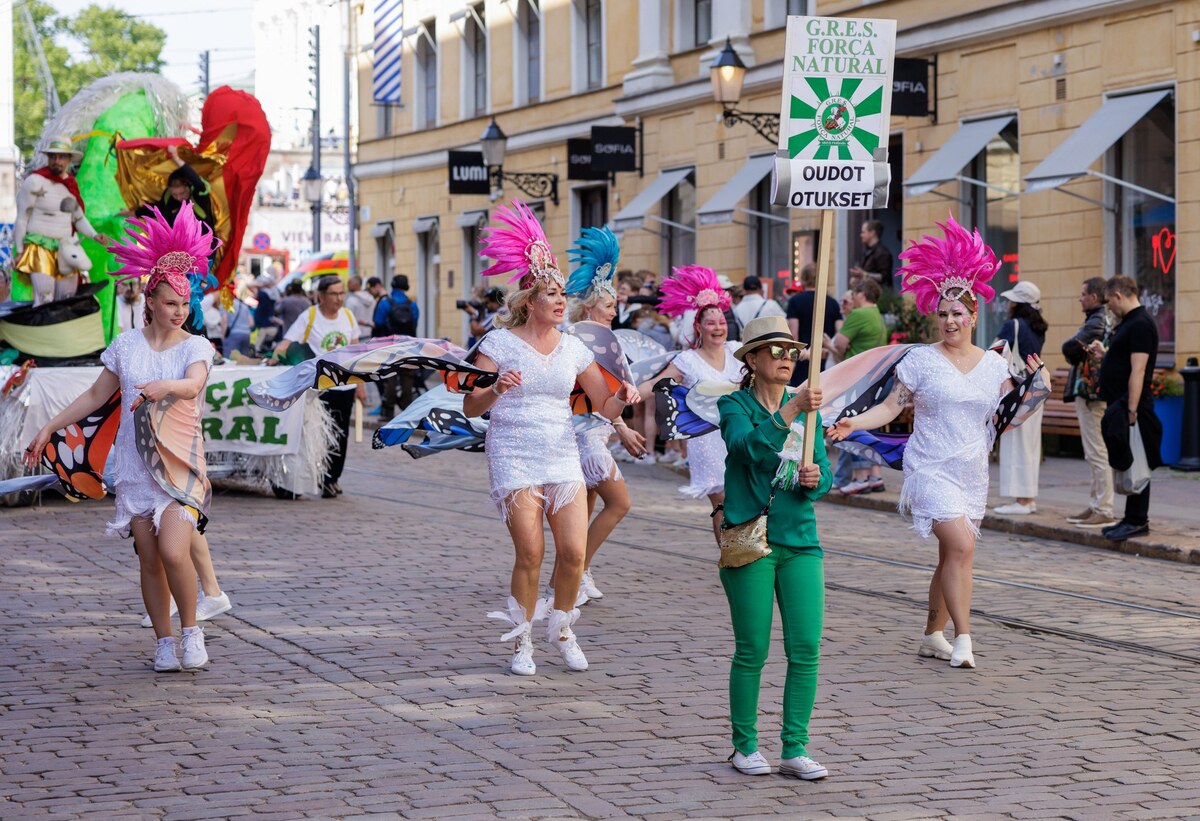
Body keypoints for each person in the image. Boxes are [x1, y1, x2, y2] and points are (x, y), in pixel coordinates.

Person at [830, 216, 1041, 670]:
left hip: (972, 470)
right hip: (928, 466)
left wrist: (1034, 385)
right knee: (962, 546)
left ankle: (932, 635)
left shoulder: (994, 365)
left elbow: (1011, 416)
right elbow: (891, 408)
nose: (949, 321)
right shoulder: (921, 360)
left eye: (957, 313)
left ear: (973, 316)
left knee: (952, 554)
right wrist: (853, 422)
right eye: (943, 313)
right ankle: (964, 637)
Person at [23, 206, 217, 672]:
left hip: (180, 465)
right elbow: (95, 395)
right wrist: (49, 427)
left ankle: (192, 631)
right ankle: (164, 641)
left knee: (173, 550)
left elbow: (193, 385)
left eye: (185, 303)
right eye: (171, 303)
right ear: (151, 300)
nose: (180, 311)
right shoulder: (126, 346)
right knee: (149, 559)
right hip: (134, 468)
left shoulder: (196, 346)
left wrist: (166, 387)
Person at [465, 201, 638, 676]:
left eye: (563, 294)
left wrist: (623, 397)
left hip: (561, 451)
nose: (561, 301)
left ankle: (562, 629)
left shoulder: (574, 347)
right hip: (513, 450)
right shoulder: (498, 345)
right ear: (529, 301)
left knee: (574, 552)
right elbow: (471, 407)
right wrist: (495, 389)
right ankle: (522, 640)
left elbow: (603, 405)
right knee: (531, 552)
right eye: (551, 294)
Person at [718, 315, 829, 780]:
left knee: (805, 647)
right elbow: (747, 449)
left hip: (800, 539)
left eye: (792, 352)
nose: (787, 359)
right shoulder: (734, 405)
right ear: (753, 359)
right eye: (777, 351)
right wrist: (791, 411)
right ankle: (744, 745)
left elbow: (824, 471)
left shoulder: (809, 410)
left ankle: (794, 748)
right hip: (751, 541)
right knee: (753, 649)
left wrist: (816, 478)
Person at [558, 225, 648, 606]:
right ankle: (574, 572)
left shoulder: (607, 341)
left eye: (615, 305)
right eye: (609, 305)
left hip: (598, 430)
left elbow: (611, 395)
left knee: (587, 508)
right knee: (620, 503)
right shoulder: (578, 340)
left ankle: (573, 574)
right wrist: (621, 427)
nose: (615, 311)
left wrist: (621, 426)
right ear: (590, 307)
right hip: (582, 433)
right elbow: (594, 397)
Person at [642, 266, 743, 543]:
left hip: (739, 435)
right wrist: (626, 394)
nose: (718, 327)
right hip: (705, 438)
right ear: (698, 327)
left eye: (721, 322)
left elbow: (768, 359)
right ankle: (729, 555)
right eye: (711, 323)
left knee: (743, 499)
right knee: (722, 501)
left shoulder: (737, 351)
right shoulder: (687, 361)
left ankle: (744, 553)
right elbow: (656, 384)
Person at [272, 275, 366, 498]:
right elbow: (287, 342)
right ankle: (313, 476)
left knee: (340, 434)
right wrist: (275, 358)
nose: (339, 298)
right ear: (321, 296)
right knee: (317, 434)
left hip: (345, 386)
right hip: (318, 388)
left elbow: (357, 353)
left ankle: (331, 479)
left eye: (341, 293)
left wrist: (360, 385)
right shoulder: (310, 316)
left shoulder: (348, 316)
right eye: (334, 294)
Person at [1093, 275, 1162, 542]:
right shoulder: (1129, 323)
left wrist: (1132, 409)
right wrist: (1106, 356)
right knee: (1127, 458)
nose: (1108, 306)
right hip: (1121, 403)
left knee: (1137, 461)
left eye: (1109, 300)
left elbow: (1139, 369)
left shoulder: (1140, 324)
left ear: (1119, 295)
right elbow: (1124, 360)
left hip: (1132, 405)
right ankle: (1131, 517)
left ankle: (1138, 519)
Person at [14, 137, 112, 305]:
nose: (57, 161)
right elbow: (22, 217)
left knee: (67, 298)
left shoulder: (70, 186)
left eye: (61, 157)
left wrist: (95, 235)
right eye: (53, 156)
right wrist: (19, 250)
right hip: (40, 247)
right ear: (48, 158)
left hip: (66, 248)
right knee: (45, 297)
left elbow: (78, 218)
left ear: (69, 159)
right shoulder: (35, 181)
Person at [1062, 277, 1115, 529]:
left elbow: (1070, 347)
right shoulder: (1099, 317)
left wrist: (1072, 346)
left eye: (1083, 294)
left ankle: (1103, 508)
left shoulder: (1097, 319)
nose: (1080, 298)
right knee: (1094, 450)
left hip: (1092, 393)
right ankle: (1096, 504)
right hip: (1093, 392)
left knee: (1096, 451)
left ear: (1094, 297)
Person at [992, 281, 1048, 516]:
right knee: (1031, 444)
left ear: (1017, 303)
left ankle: (1021, 500)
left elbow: (994, 354)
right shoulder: (1039, 328)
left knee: (1015, 443)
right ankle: (1028, 498)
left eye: (1011, 300)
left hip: (1017, 389)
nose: (1008, 304)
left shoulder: (1012, 326)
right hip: (1037, 386)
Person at [831, 279, 889, 495]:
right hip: (877, 378)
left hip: (857, 379)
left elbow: (840, 344)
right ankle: (874, 476)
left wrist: (829, 345)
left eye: (854, 294)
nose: (852, 298)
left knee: (853, 425)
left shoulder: (859, 314)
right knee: (870, 428)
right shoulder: (877, 315)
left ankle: (860, 477)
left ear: (862, 294)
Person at [785, 263, 841, 386]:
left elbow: (793, 335)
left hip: (803, 360)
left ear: (803, 279)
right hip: (827, 360)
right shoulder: (833, 303)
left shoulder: (795, 301)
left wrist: (791, 359)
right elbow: (839, 334)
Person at [375, 274, 421, 419]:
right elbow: (415, 324)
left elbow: (378, 322)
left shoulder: (385, 303)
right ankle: (406, 410)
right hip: (408, 346)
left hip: (390, 346)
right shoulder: (412, 305)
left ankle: (389, 411)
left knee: (390, 378)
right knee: (408, 378)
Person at [849, 219, 894, 290]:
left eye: (863, 232)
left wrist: (863, 274)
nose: (861, 235)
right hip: (868, 292)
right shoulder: (868, 251)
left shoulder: (883, 252)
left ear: (872, 233)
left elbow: (884, 277)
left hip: (880, 294)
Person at [345, 274, 376, 339]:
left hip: (356, 336)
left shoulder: (351, 300)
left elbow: (347, 319)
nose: (347, 285)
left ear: (356, 284)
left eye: (349, 282)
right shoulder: (371, 298)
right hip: (370, 333)